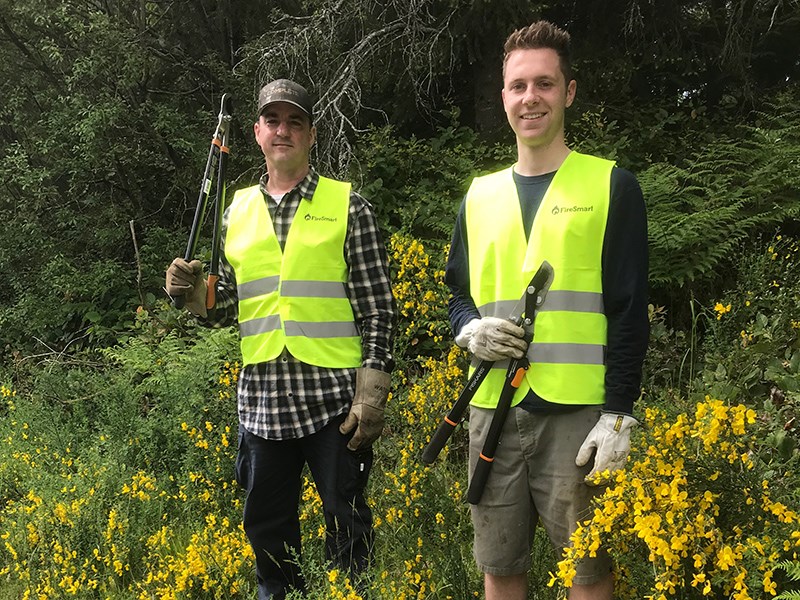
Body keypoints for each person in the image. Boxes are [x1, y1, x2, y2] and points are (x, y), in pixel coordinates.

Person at [166, 79, 397, 599]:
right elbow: (224, 308)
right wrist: (191, 293)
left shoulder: (349, 206)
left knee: (348, 531)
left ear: (312, 134)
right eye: (273, 121)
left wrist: (372, 390)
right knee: (269, 537)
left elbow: (377, 307)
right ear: (256, 133)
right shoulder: (235, 212)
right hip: (263, 406)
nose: (283, 131)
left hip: (335, 404)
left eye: (295, 122)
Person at [444, 21, 649, 600]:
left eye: (544, 83)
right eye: (517, 86)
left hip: (579, 420)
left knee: (588, 573)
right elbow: (456, 294)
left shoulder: (612, 187)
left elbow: (630, 310)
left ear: (569, 92)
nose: (529, 97)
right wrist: (469, 330)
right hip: (491, 410)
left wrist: (618, 412)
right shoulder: (477, 196)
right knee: (501, 569)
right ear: (502, 96)